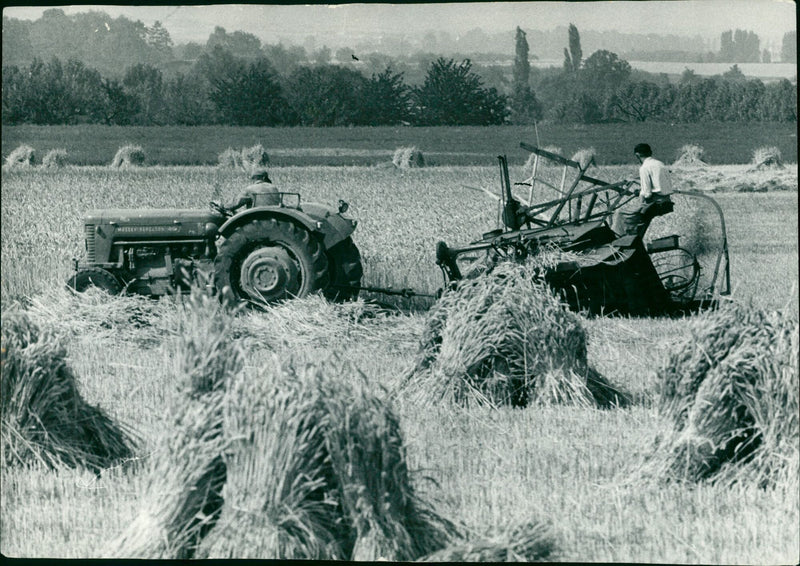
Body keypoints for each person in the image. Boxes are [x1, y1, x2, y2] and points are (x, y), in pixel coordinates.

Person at [613, 144, 674, 236]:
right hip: (666, 201)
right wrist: (635, 181)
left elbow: (647, 193)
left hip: (654, 203)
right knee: (636, 221)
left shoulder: (644, 168)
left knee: (620, 213)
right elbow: (656, 184)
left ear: (637, 155)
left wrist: (640, 203)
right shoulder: (660, 164)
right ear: (650, 152)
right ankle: (632, 237)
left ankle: (617, 238)